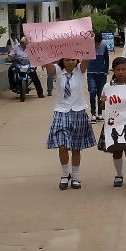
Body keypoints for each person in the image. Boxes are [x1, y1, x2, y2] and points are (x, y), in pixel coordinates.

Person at [43, 57, 93, 190]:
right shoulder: (58, 70)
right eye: (67, 60)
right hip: (62, 110)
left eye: (73, 60)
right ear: (62, 61)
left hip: (78, 110)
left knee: (76, 147)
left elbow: (87, 57)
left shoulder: (79, 70)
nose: (71, 62)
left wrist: (89, 39)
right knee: (62, 145)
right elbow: (48, 65)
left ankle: (75, 176)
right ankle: (65, 175)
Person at [102, 57, 126, 195]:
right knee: (117, 151)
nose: (120, 72)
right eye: (117, 69)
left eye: (123, 69)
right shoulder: (108, 86)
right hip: (115, 123)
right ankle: (119, 174)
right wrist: (103, 101)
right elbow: (104, 106)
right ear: (113, 70)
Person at [87, 32, 110, 122]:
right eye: (96, 43)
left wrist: (106, 70)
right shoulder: (88, 45)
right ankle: (93, 113)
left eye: (98, 43)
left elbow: (106, 58)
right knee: (92, 92)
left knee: (100, 93)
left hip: (101, 72)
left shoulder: (104, 45)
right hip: (91, 72)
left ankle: (100, 113)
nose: (97, 45)